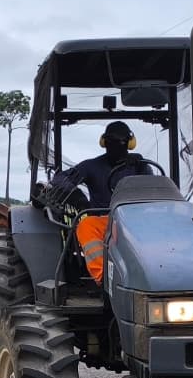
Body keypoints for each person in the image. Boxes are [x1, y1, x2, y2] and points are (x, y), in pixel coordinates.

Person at [47, 121, 151, 284]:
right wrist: (79, 198)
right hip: (104, 221)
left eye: (120, 143)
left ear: (129, 144)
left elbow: (152, 188)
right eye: (111, 142)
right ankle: (105, 279)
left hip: (136, 222)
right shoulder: (92, 166)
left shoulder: (140, 166)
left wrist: (141, 166)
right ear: (104, 143)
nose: (115, 147)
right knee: (86, 225)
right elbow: (60, 179)